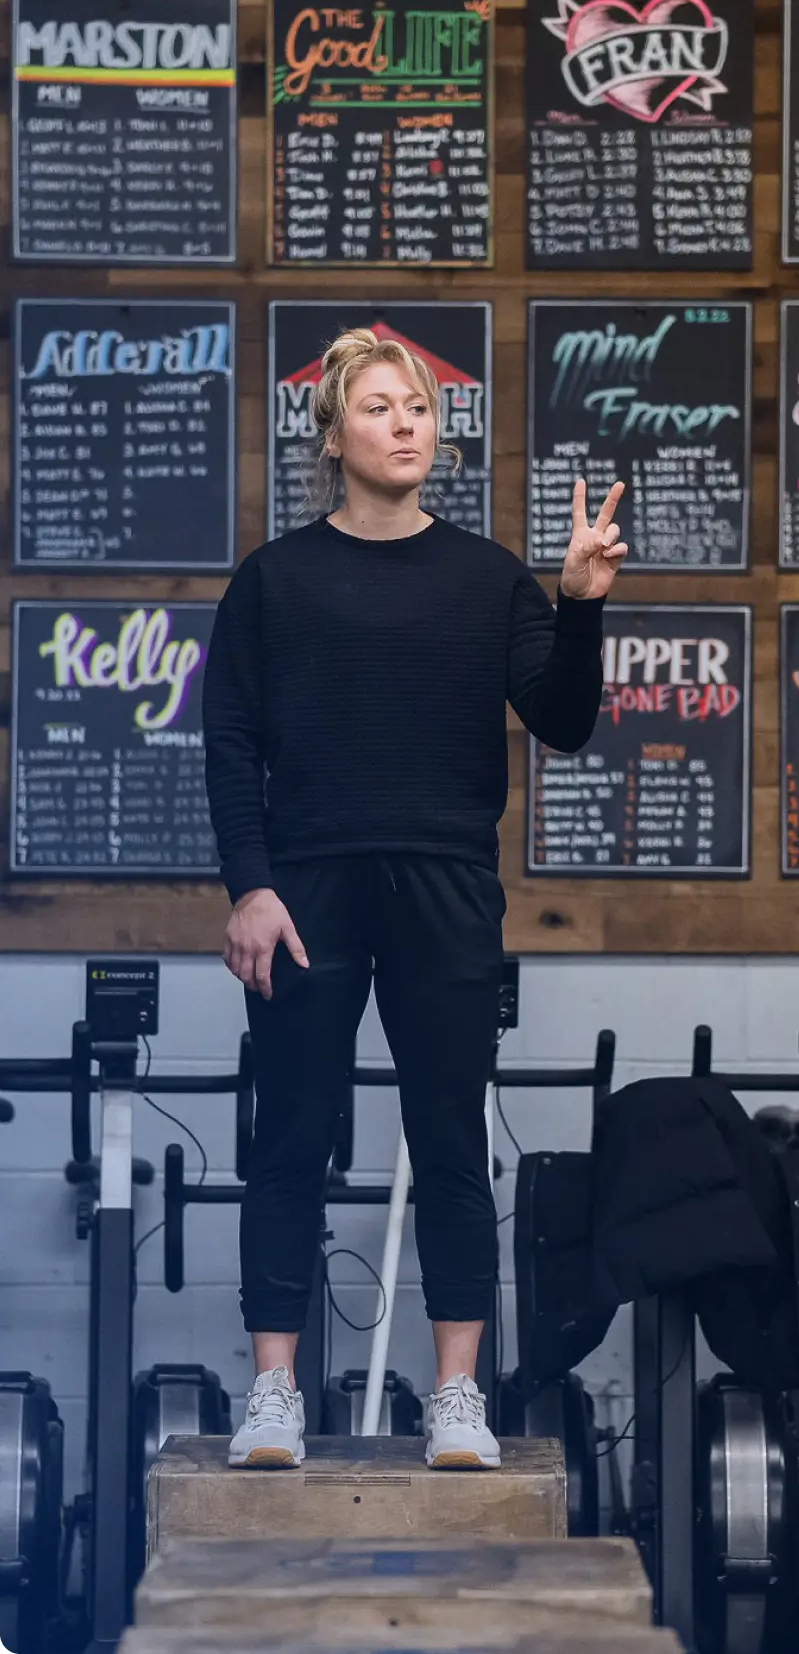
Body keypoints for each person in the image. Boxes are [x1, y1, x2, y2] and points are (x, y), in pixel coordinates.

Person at [202, 326, 627, 1472]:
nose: (406, 424)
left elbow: (565, 720)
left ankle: (455, 1399)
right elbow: (229, 744)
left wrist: (579, 602)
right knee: (288, 1137)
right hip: (307, 890)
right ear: (332, 434)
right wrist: (250, 887)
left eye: (421, 409)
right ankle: (275, 1394)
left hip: (445, 883)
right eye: (381, 407)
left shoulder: (487, 579)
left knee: (448, 1141)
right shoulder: (273, 580)